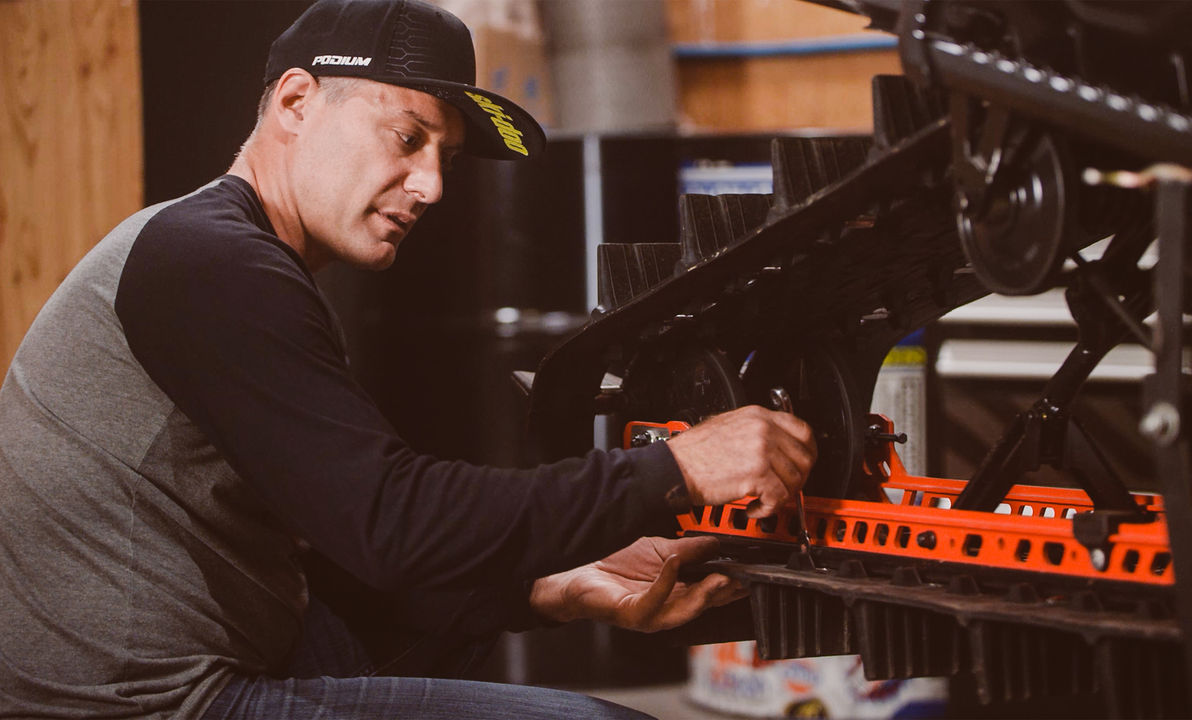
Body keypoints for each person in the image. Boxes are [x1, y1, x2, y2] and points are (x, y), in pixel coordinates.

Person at [0, 1, 817, 718]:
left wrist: (557, 586)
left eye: (447, 159)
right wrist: (673, 468)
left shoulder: (221, 253)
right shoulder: (211, 263)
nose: (429, 186)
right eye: (407, 137)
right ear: (295, 102)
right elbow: (392, 525)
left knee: (444, 627)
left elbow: (347, 548)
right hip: (140, 704)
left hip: (195, 663)